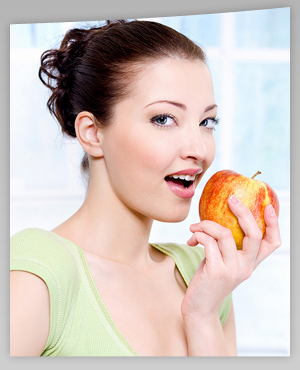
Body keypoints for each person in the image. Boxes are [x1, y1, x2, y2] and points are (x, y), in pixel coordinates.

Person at [10, 19, 281, 357]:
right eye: (163, 119)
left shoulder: (202, 275)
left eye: (206, 122)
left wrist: (202, 315)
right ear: (92, 133)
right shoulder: (37, 274)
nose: (198, 148)